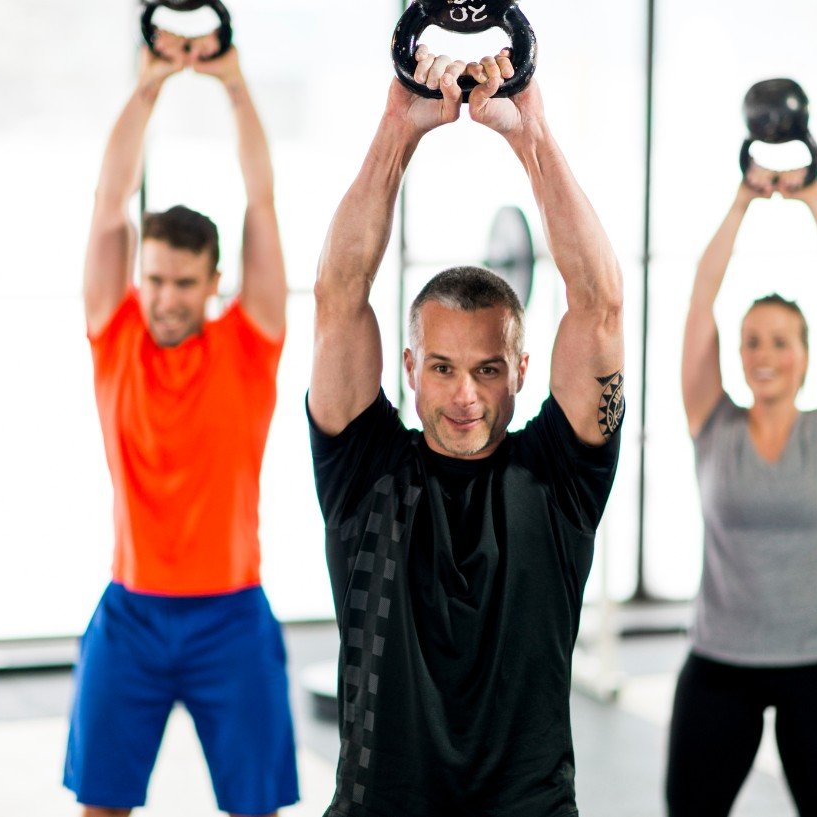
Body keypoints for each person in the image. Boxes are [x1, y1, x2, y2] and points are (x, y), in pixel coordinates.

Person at [308, 46, 626, 816]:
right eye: (443, 367)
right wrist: (398, 130)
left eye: (487, 370)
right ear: (408, 365)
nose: (465, 397)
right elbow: (338, 294)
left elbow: (599, 305)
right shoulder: (364, 464)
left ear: (522, 368)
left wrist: (531, 134)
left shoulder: (560, 476)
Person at [63, 30, 297, 817]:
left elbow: (261, 202)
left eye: (184, 282)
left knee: (257, 809)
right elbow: (108, 200)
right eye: (155, 278)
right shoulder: (114, 331)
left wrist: (233, 86)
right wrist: (148, 90)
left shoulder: (250, 341)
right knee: (101, 809)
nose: (165, 297)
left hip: (231, 616)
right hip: (130, 615)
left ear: (213, 283)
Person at [667, 165, 817, 817]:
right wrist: (739, 203)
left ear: (805, 355)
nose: (764, 353)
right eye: (752, 340)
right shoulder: (712, 421)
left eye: (781, 341)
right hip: (720, 661)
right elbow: (702, 301)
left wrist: (814, 202)